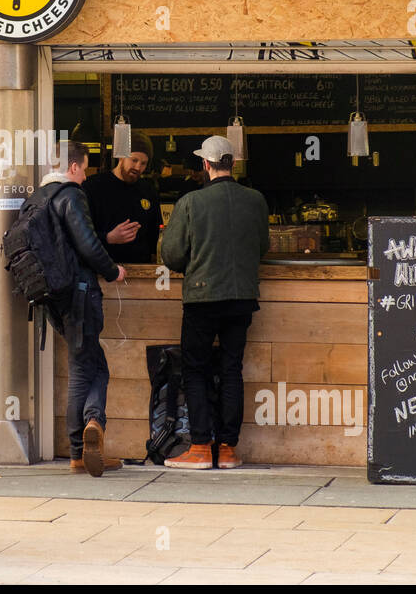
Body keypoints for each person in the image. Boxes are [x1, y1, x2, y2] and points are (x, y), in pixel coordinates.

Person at [159, 136, 270, 470]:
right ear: (232, 164)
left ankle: (201, 447)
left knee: (196, 369)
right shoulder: (256, 200)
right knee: (231, 368)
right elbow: (262, 246)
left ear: (204, 165)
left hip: (203, 297)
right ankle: (229, 450)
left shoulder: (191, 203)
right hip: (242, 298)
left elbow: (173, 256)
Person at [37, 141, 128, 476]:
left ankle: (86, 440)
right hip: (79, 293)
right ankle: (86, 436)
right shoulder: (71, 195)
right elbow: (88, 244)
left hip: (52, 297)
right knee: (87, 368)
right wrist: (112, 270)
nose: (85, 175)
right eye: (85, 168)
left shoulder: (38, 198)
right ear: (74, 167)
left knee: (88, 362)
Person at [82, 132, 161, 264]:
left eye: (143, 163)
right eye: (134, 160)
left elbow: (154, 233)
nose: (138, 167)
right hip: (102, 269)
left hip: (140, 270)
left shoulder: (148, 191)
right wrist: (108, 237)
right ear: (121, 157)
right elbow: (79, 234)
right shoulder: (93, 187)